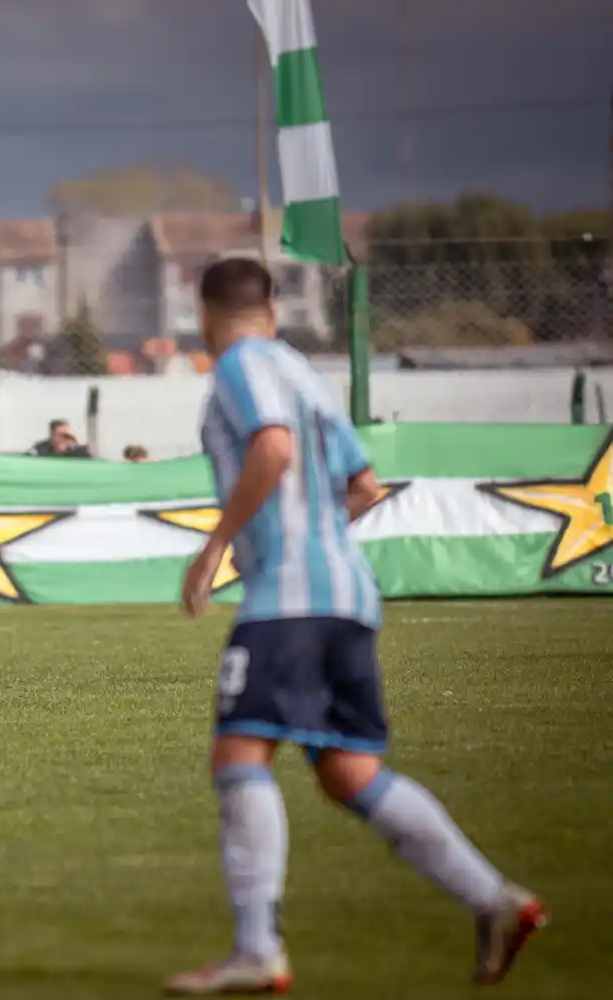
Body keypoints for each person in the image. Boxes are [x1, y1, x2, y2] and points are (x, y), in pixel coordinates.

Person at [165, 258, 544, 995]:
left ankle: (256, 948)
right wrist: (308, 538)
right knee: (349, 772)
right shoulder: (307, 374)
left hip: (291, 599)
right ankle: (496, 901)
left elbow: (272, 449)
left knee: (240, 755)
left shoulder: (242, 364)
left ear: (207, 317)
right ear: (274, 311)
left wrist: (218, 546)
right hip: (349, 596)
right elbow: (365, 488)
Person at [27, 419, 91, 458]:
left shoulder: (77, 451)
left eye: (66, 436)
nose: (62, 439)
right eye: (59, 435)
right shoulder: (40, 448)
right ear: (52, 435)